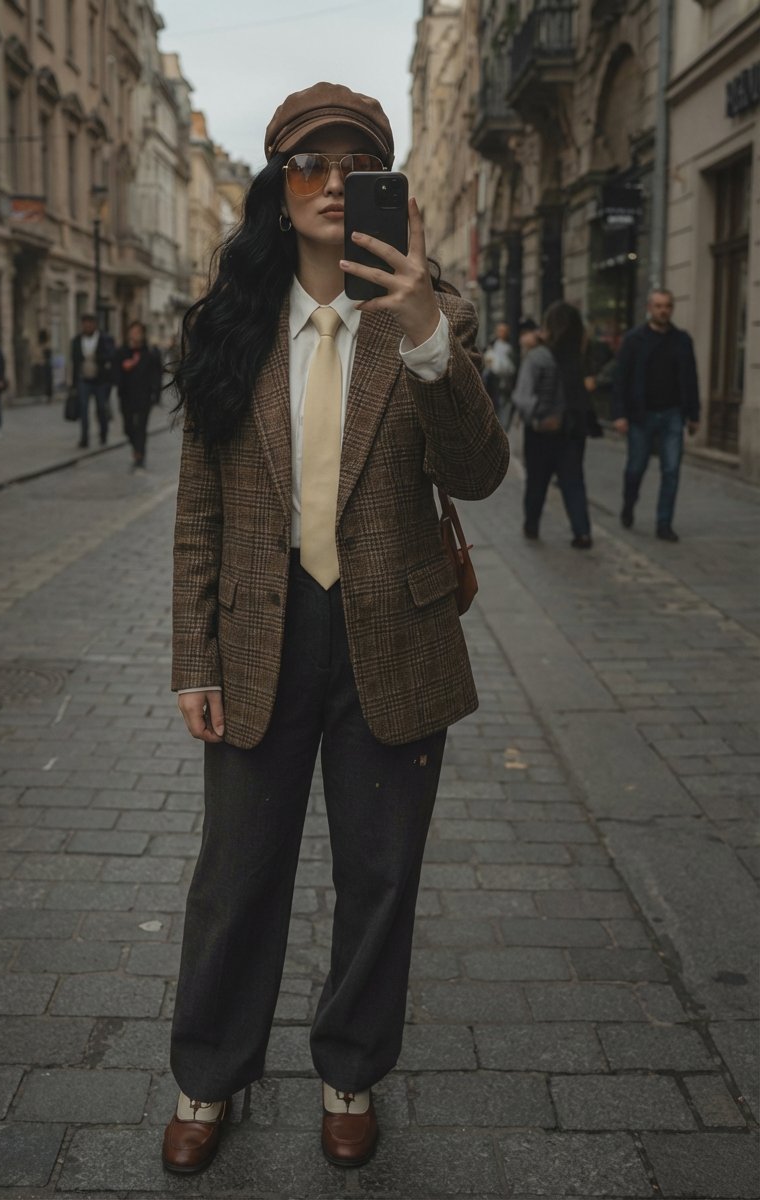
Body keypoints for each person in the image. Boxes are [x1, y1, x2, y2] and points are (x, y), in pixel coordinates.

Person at [165, 82, 508, 1176]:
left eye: (354, 167)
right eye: (306, 165)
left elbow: (478, 475)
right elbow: (200, 513)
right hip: (259, 637)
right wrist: (193, 660)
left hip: (393, 637)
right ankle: (207, 1077)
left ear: (382, 190)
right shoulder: (227, 328)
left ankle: (349, 1072)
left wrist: (425, 336)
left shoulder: (429, 318)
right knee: (235, 877)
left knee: (379, 875)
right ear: (276, 191)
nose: (328, 183)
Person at [612, 288, 700, 542]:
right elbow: (621, 379)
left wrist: (694, 414)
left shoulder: (682, 340)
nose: (663, 310)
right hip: (641, 415)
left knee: (671, 470)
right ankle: (629, 505)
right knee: (635, 468)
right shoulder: (634, 340)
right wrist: (619, 414)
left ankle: (664, 523)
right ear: (650, 308)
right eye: (659, 306)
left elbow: (690, 378)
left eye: (667, 306)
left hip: (673, 414)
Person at [512, 300, 595, 548]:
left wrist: (536, 417)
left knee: (537, 481)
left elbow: (522, 396)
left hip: (542, 430)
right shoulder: (578, 358)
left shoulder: (539, 356)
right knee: (573, 481)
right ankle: (582, 532)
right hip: (573, 430)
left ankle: (531, 525)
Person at [114, 320, 162, 469]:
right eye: (132, 332)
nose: (135, 335)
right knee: (128, 428)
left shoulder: (150, 354)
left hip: (144, 395)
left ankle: (139, 455)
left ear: (143, 335)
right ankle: (137, 448)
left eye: (138, 332)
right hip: (126, 395)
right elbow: (115, 372)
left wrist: (156, 394)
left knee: (141, 427)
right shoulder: (122, 352)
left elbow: (157, 375)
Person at [70, 312, 115, 448]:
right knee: (83, 409)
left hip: (100, 381)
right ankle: (84, 438)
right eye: (85, 324)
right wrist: (73, 384)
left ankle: (103, 434)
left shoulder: (104, 339)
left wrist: (97, 358)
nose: (87, 326)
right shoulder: (77, 341)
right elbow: (74, 362)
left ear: (95, 324)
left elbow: (111, 355)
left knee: (101, 408)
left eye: (90, 324)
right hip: (84, 380)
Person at [482, 321, 516, 430]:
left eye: (504, 331)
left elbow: (509, 368)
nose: (502, 333)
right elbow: (488, 362)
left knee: (503, 411)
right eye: (500, 330)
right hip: (492, 384)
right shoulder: (492, 347)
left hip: (504, 385)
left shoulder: (509, 348)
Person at [37, 328, 54, 403]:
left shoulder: (45, 345)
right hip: (45, 365)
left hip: (46, 365)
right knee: (46, 381)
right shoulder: (44, 345)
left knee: (47, 381)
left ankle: (48, 396)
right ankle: (47, 395)